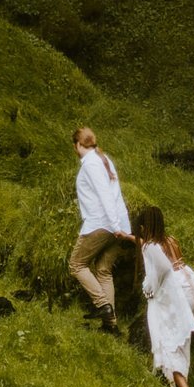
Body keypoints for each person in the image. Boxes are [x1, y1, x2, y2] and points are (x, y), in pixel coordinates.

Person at [133, 207, 194, 387]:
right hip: (190, 283)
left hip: (176, 290)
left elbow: (162, 267)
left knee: (166, 340)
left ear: (144, 227)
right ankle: (180, 385)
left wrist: (149, 289)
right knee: (178, 338)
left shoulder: (149, 246)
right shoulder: (169, 239)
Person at [68, 126, 133, 331]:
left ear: (78, 145)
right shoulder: (103, 159)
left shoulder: (91, 164)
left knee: (76, 265)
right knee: (103, 271)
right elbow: (115, 194)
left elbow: (106, 195)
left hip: (103, 224)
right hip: (118, 224)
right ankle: (110, 326)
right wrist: (121, 226)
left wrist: (114, 226)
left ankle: (103, 305)